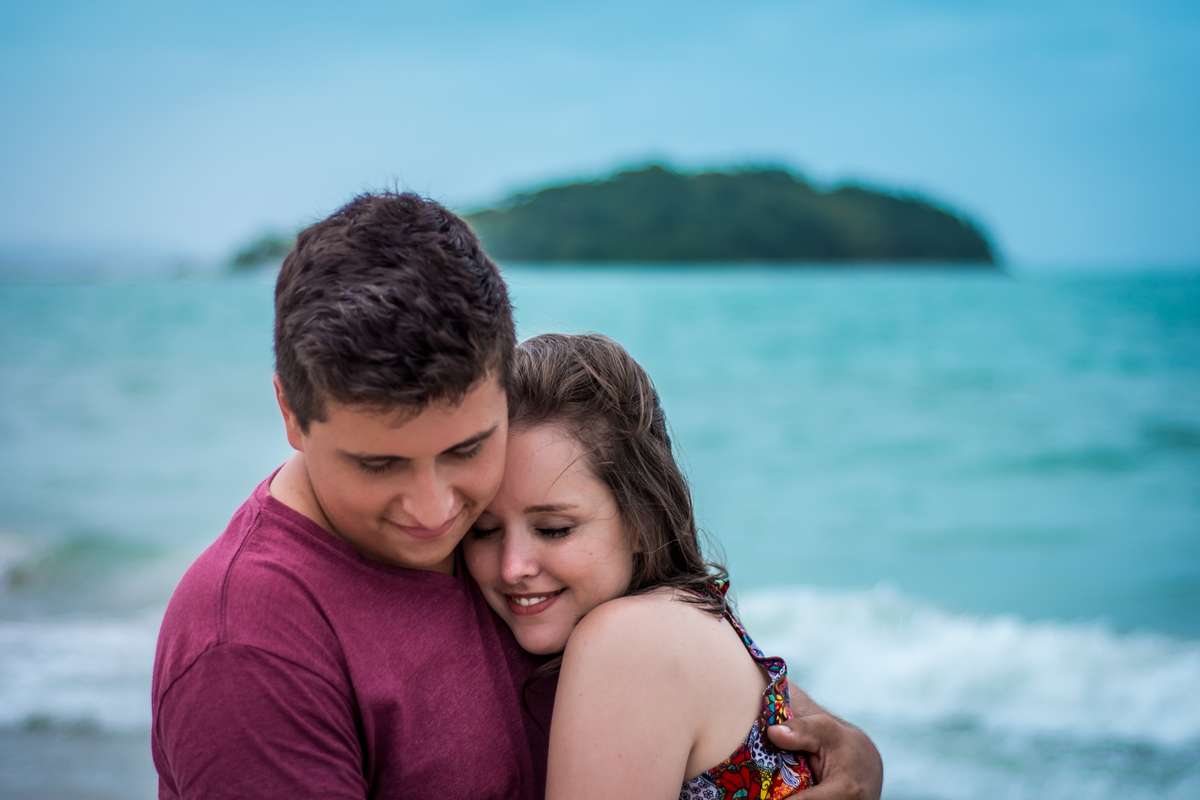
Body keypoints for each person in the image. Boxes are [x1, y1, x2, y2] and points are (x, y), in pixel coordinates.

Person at [151, 191, 883, 799]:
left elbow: (683, 674)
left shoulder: (512, 525)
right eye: (379, 465)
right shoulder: (248, 643)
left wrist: (840, 749)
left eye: (466, 450)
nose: (435, 509)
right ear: (289, 413)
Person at [464, 333, 860, 799]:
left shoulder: (625, 639)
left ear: (640, 518)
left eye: (554, 529)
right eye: (484, 530)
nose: (512, 567)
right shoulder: (694, 613)